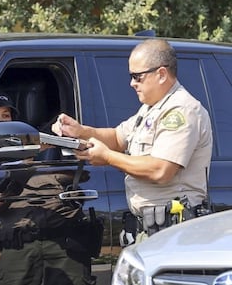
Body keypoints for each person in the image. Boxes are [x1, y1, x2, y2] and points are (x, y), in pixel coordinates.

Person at [51, 38, 213, 243]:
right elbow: (118, 137)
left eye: (137, 76)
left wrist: (108, 157)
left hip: (174, 233)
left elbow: (161, 170)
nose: (132, 83)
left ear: (161, 74)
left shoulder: (181, 110)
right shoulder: (151, 108)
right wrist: (80, 131)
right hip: (151, 229)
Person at [0, 91, 97, 285]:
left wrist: (46, 150)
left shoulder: (43, 155)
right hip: (17, 248)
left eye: (6, 115)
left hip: (65, 244)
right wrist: (19, 169)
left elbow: (88, 175)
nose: (1, 121)